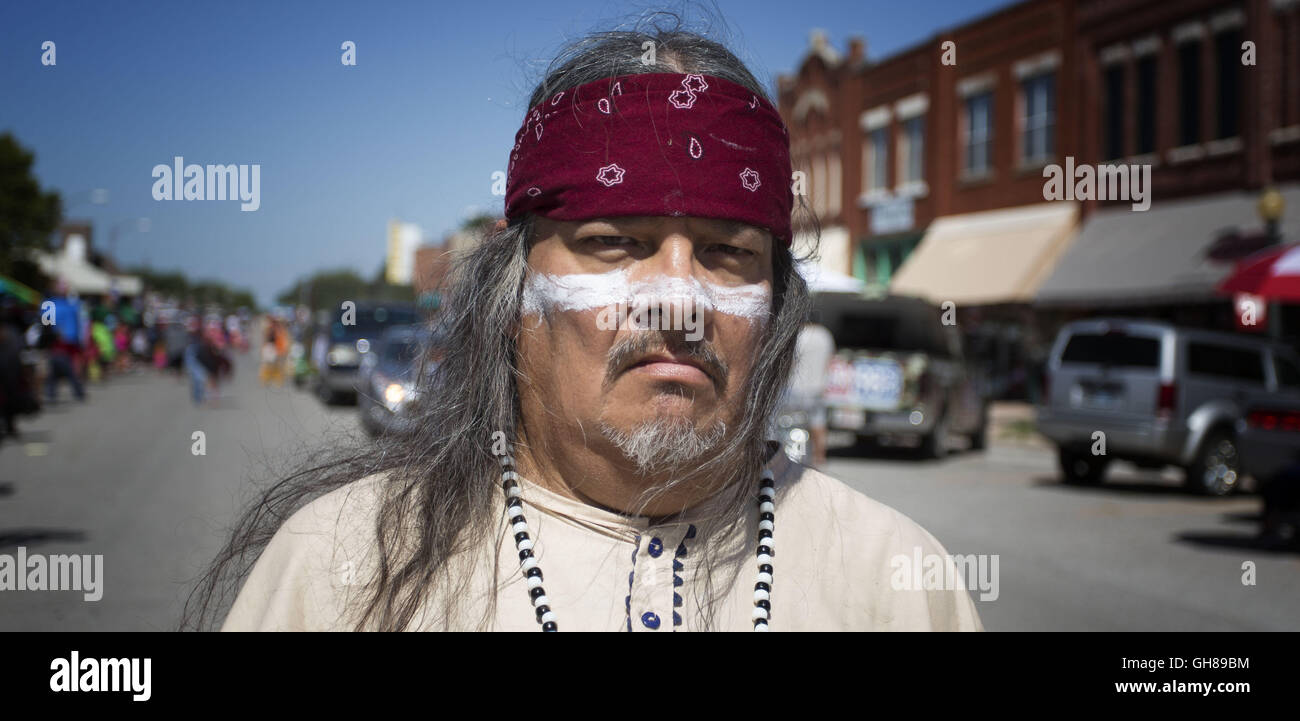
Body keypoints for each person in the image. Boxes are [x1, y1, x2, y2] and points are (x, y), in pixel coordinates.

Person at [189, 26, 982, 632]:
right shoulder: (342, 568)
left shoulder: (895, 581)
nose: (679, 298)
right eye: (615, 242)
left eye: (725, 252)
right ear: (514, 294)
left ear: (777, 308)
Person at [784, 321, 836, 468]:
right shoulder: (825, 335)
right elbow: (830, 359)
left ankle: (789, 456)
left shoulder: (799, 335)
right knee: (818, 423)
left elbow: (791, 361)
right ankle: (819, 457)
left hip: (795, 387)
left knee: (789, 423)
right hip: (818, 388)